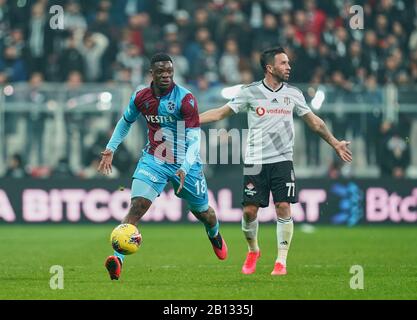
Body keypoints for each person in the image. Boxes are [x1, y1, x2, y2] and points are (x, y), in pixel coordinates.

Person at [199, 47, 352, 276]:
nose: (288, 67)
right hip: (255, 161)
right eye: (283, 63)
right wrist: (191, 120)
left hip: (282, 160)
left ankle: (281, 261)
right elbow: (221, 113)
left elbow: (315, 123)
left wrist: (334, 143)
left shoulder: (293, 94)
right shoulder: (249, 92)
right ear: (270, 68)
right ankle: (253, 250)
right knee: (250, 212)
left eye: (288, 63)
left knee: (283, 207)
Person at [98, 53, 228, 280]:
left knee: (204, 213)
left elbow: (195, 139)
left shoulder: (185, 99)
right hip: (154, 159)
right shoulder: (141, 97)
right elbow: (125, 121)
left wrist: (186, 167)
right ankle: (117, 260)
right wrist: (111, 148)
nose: (166, 76)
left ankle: (214, 234)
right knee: (137, 206)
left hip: (186, 164)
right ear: (152, 73)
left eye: (170, 71)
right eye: (161, 72)